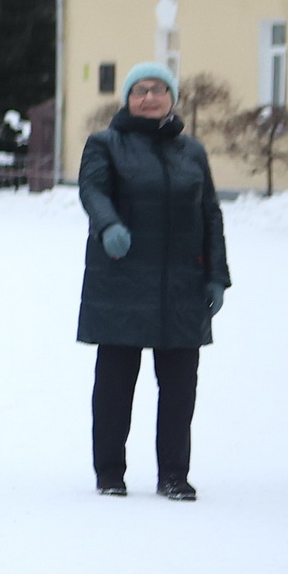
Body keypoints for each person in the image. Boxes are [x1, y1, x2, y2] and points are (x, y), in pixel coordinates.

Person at [77, 62, 229, 500]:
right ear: (127, 99)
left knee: (180, 388)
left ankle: (174, 475)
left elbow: (210, 214)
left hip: (181, 285)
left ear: (171, 98)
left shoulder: (191, 152)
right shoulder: (106, 144)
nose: (149, 97)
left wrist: (216, 276)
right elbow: (92, 190)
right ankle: (110, 473)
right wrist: (108, 225)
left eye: (158, 90)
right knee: (115, 386)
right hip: (121, 279)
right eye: (139, 90)